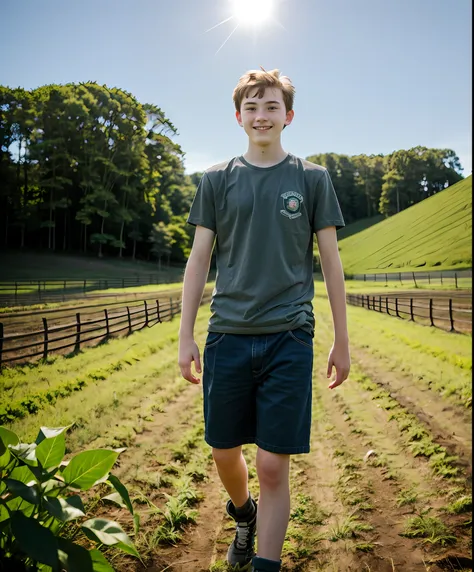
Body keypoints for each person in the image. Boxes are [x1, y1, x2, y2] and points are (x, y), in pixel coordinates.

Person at [178, 68, 351, 572]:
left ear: (288, 116)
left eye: (271, 106)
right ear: (238, 117)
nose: (261, 115)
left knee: (274, 465)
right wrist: (186, 335)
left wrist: (342, 340)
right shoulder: (215, 180)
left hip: (289, 336)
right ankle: (243, 513)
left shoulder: (312, 179)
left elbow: (331, 263)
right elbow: (198, 260)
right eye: (252, 107)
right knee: (223, 451)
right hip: (228, 335)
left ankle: (265, 565)